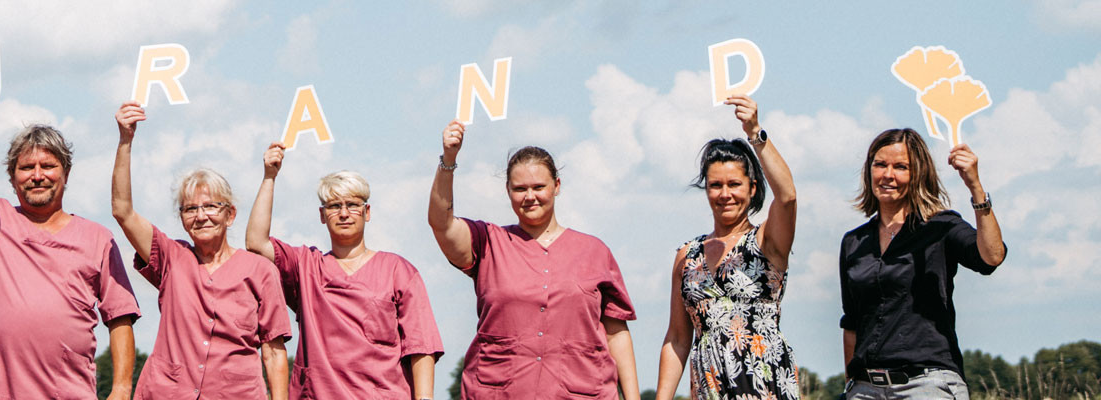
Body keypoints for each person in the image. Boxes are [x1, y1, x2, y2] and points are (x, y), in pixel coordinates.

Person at [0, 94, 142, 400]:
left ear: (65, 174)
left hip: (68, 391)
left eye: (48, 166)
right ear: (12, 179)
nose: (38, 176)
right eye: (26, 168)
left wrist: (120, 390)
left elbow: (119, 317)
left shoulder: (97, 239)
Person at [427, 121, 641, 399]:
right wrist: (448, 160)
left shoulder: (595, 251)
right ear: (507, 191)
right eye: (519, 189)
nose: (530, 197)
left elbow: (616, 332)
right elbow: (441, 224)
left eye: (539, 186)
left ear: (557, 186)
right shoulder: (488, 242)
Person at [110, 102, 292, 399]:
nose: (201, 215)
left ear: (230, 215)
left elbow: (273, 351)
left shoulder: (260, 271)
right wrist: (125, 141)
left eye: (211, 206)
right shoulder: (171, 258)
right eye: (190, 208)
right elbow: (122, 211)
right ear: (182, 218)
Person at [246, 144, 444, 400]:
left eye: (352, 205)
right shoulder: (306, 266)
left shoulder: (399, 271)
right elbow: (256, 243)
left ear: (367, 212)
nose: (343, 214)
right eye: (333, 206)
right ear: (322, 215)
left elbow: (421, 345)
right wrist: (269, 177)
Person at [838, 129, 1005, 400]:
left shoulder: (940, 226)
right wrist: (850, 385)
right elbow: (852, 323)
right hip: (865, 388)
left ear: (918, 174)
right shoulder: (854, 242)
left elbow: (991, 257)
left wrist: (975, 187)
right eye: (880, 164)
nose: (888, 175)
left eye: (901, 167)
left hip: (927, 384)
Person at [655, 95, 800, 400]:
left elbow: (786, 197)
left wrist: (755, 132)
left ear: (753, 188)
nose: (724, 194)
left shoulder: (767, 241)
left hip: (765, 384)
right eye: (715, 185)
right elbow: (678, 338)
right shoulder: (687, 255)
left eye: (734, 184)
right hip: (709, 388)